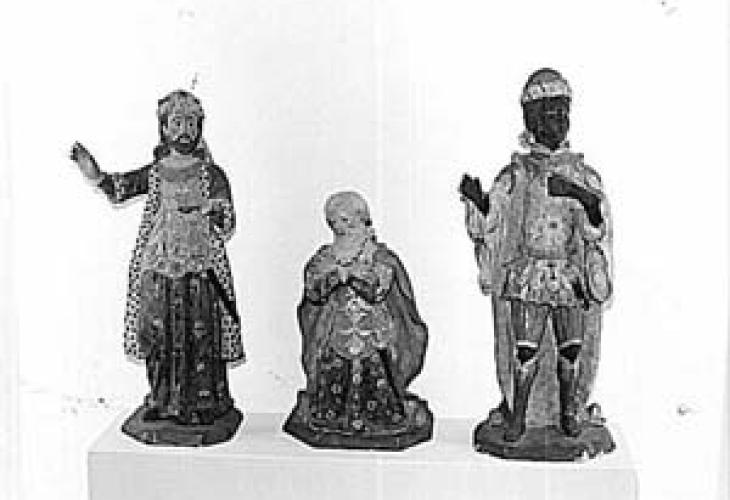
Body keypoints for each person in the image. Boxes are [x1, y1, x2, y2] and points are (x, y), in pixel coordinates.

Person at [69, 90, 245, 444]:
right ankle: (163, 400)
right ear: (163, 128)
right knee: (158, 334)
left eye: (191, 122)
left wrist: (212, 209)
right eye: (176, 122)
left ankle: (204, 404)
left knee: (200, 334)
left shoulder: (212, 174)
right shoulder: (154, 173)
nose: (184, 129)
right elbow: (120, 187)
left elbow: (227, 219)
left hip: (200, 268)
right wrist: (96, 175)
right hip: (160, 267)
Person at [460, 69, 612, 445]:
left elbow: (596, 229)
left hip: (566, 274)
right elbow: (493, 220)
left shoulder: (582, 175)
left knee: (570, 348)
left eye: (562, 113)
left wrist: (581, 197)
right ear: (530, 119)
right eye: (548, 114)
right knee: (525, 351)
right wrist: (479, 202)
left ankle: (568, 412)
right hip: (529, 273)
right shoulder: (516, 175)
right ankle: (519, 415)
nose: (557, 122)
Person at [284, 191, 432, 450]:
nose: (340, 228)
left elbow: (378, 288)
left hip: (372, 332)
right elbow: (313, 289)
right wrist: (334, 278)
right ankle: (332, 417)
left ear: (361, 219)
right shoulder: (325, 256)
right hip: (336, 330)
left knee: (375, 376)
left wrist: (351, 277)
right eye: (334, 222)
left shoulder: (379, 256)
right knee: (333, 375)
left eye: (346, 221)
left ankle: (376, 418)